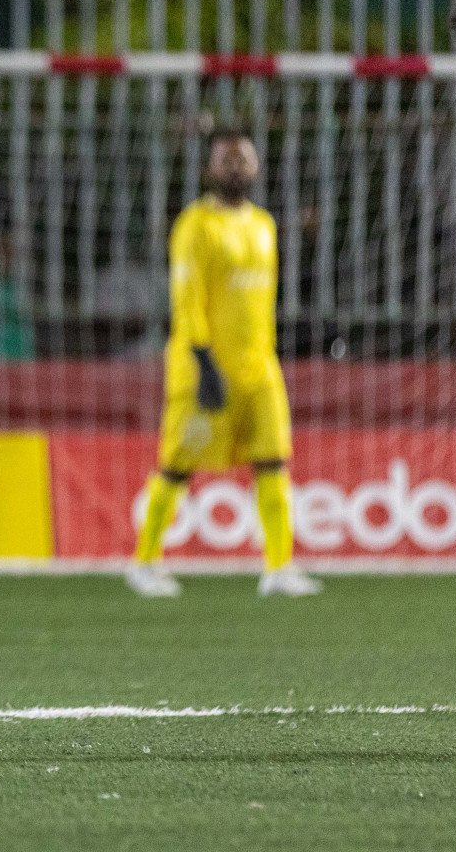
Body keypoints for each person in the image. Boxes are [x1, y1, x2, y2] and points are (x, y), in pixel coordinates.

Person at [125, 127, 321, 599]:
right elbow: (186, 299)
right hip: (204, 369)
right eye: (226, 159)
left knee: (274, 462)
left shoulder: (264, 224)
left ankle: (278, 567)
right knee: (177, 466)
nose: (236, 166)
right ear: (211, 169)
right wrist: (202, 358)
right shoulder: (196, 224)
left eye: (243, 159)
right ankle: (145, 562)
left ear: (256, 167)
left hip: (260, 369)